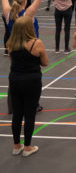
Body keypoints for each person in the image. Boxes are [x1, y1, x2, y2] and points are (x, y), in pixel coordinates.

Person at [7, 16, 49, 157]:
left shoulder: (10, 43)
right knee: (29, 114)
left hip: (15, 80)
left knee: (17, 113)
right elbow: (45, 62)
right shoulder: (37, 43)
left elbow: (12, 61)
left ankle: (16, 145)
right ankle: (27, 147)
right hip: (31, 81)